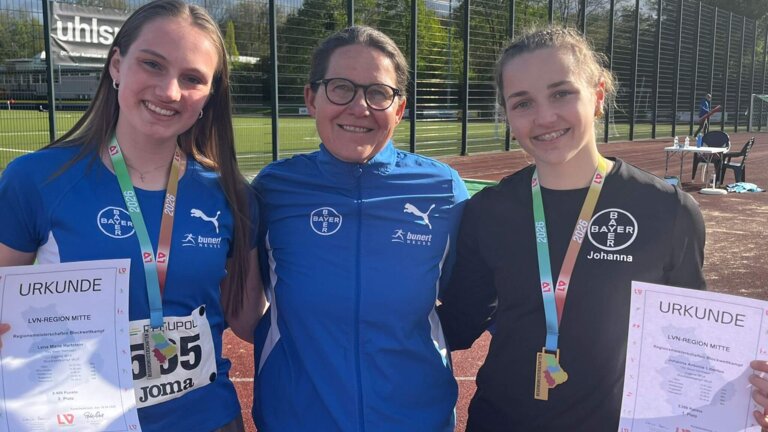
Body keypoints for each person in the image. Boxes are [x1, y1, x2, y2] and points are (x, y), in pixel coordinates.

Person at [437, 27, 768, 431]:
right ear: (508, 114)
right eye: (522, 103)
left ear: (597, 94)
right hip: (501, 420)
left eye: (561, 93)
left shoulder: (669, 210)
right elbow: (459, 322)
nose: (544, 117)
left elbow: (688, 341)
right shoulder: (488, 211)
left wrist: (745, 384)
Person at [0, 1, 265, 431]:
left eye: (192, 78)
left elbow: (248, 320)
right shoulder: (36, 180)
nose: (170, 91)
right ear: (117, 66)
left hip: (207, 421)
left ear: (210, 94)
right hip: (78, 421)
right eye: (153, 65)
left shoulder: (233, 196)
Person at [251, 26, 468, 431]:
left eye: (378, 92)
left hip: (416, 420)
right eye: (341, 88)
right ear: (311, 98)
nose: (359, 106)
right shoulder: (273, 191)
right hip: (296, 419)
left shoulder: (443, 190)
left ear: (399, 109)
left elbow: (463, 301)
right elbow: (250, 310)